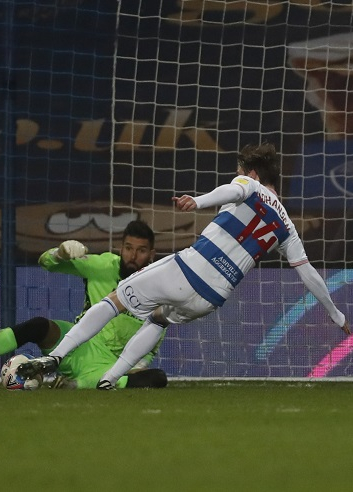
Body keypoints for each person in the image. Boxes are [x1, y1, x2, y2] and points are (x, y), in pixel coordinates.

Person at [18, 142, 350, 388]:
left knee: (115, 300)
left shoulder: (250, 185)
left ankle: (54, 357)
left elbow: (231, 191)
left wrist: (198, 201)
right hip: (212, 297)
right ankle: (110, 379)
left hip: (188, 270)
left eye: (240, 172)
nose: (238, 177)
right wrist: (338, 315)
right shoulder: (288, 227)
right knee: (159, 318)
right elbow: (308, 274)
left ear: (252, 173)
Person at [0, 220, 168, 389]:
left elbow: (152, 342)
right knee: (40, 326)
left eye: (141, 250)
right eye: (128, 248)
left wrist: (139, 366)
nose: (133, 256)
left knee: (157, 378)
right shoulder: (103, 266)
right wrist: (59, 254)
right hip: (77, 345)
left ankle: (76, 384)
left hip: (110, 364)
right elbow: (46, 263)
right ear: (121, 248)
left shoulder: (160, 290)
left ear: (152, 254)